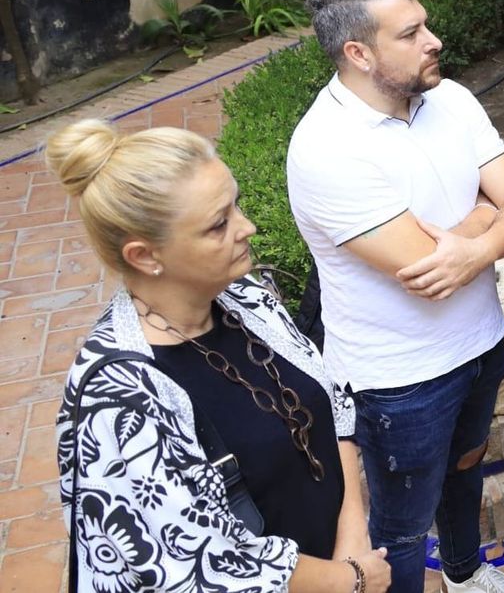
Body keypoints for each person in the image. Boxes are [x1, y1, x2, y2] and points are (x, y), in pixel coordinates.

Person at [50, 121, 392, 593]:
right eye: (219, 223)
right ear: (146, 255)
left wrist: (353, 542)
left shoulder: (248, 300)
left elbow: (334, 405)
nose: (246, 227)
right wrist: (349, 581)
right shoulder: (119, 402)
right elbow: (199, 565)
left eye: (236, 205)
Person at [287, 0, 504, 593]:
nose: (434, 40)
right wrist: (489, 212)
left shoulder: (451, 100)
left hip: (482, 341)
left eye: (425, 24)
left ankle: (463, 571)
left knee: (465, 469)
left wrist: (474, 241)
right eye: (410, 34)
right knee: (400, 528)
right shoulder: (325, 148)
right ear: (357, 52)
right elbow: (428, 266)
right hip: (399, 379)